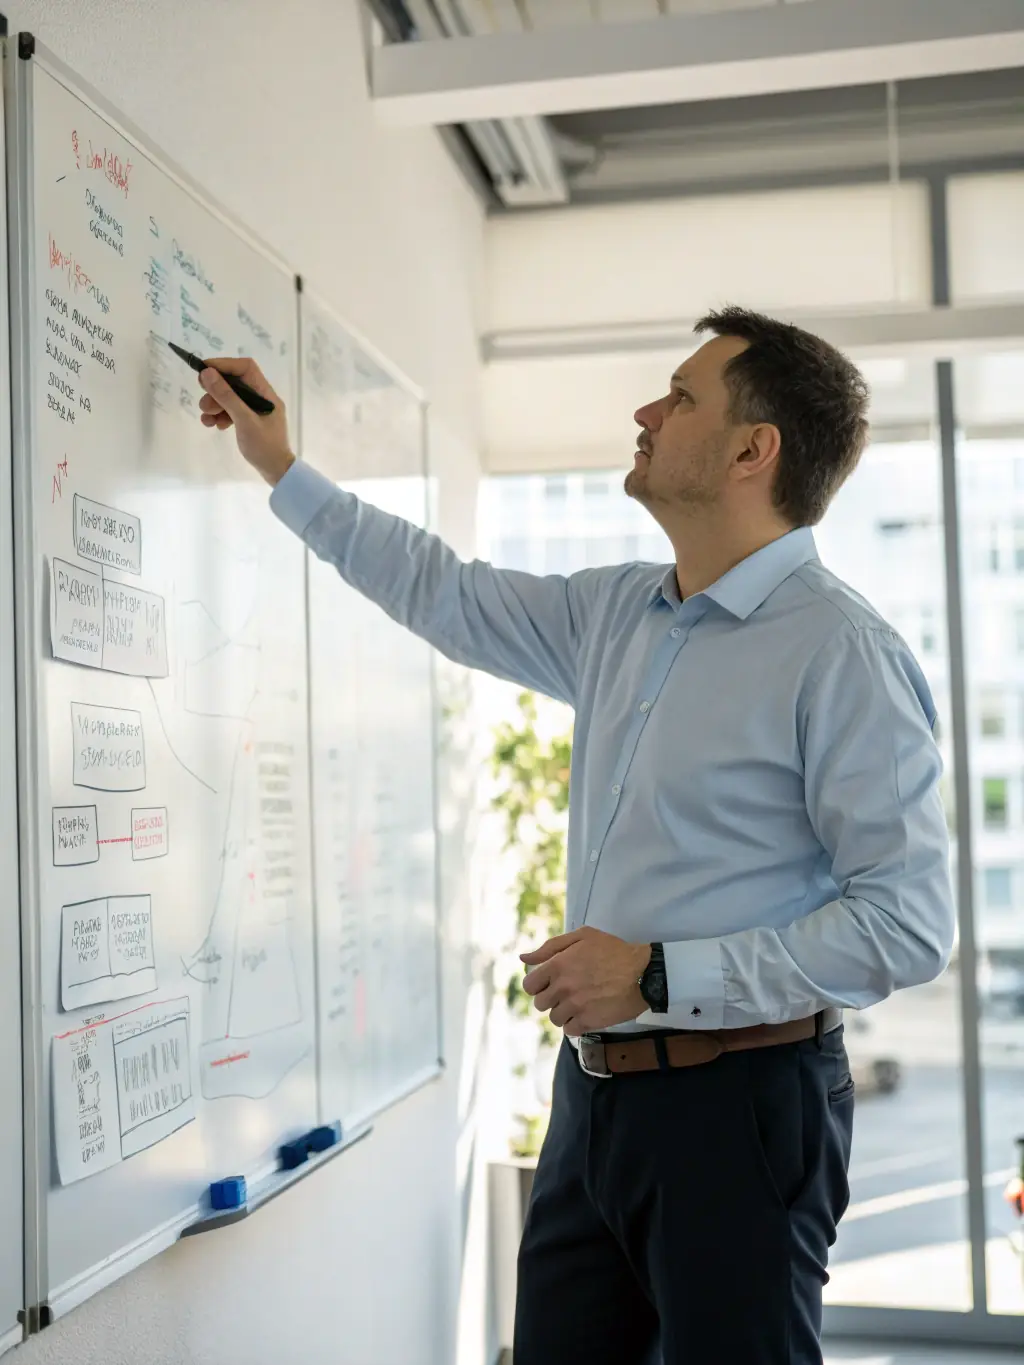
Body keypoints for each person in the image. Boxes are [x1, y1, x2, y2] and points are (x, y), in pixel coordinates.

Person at [197, 307, 955, 1365]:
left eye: (681, 396)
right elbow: (443, 591)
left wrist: (656, 974)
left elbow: (906, 924)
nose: (646, 411)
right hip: (593, 1095)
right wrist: (281, 466)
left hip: (742, 1105)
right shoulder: (617, 615)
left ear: (754, 450)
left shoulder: (841, 652)